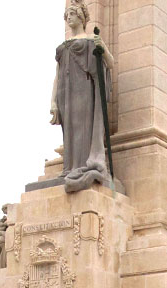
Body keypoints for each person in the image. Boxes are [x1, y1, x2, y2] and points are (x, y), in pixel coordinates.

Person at [50, 0, 115, 192]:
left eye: (72, 14)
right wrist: (53, 100)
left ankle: (83, 164)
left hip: (84, 90)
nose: (68, 18)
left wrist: (102, 46)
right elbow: (57, 75)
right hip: (65, 93)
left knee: (83, 128)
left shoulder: (90, 41)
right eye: (67, 15)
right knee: (69, 130)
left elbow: (110, 64)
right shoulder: (62, 46)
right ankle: (69, 167)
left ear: (81, 17)